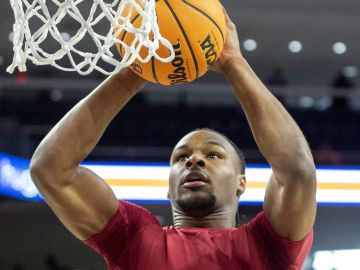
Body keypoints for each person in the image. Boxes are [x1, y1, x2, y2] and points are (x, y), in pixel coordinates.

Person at [29, 8, 317, 270]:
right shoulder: (134, 238)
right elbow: (52, 171)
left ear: (242, 182)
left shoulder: (267, 245)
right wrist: (134, 70)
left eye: (214, 154)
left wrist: (233, 62)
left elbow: (298, 172)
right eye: (180, 157)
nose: (194, 158)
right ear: (168, 187)